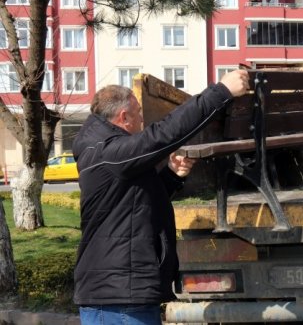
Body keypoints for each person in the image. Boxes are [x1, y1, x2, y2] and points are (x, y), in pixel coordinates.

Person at [72, 70, 249, 325]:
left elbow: (134, 206)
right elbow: (165, 133)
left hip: (121, 296)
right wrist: (220, 91)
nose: (143, 121)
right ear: (124, 117)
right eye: (139, 115)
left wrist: (172, 175)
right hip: (118, 300)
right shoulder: (110, 152)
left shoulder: (108, 154)